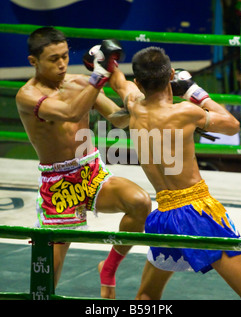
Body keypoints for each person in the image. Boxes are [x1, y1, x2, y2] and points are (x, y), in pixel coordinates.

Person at [107, 46, 241, 300]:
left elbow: (118, 81)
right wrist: (195, 92)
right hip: (197, 214)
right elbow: (232, 125)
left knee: (147, 296)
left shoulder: (133, 105)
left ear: (138, 82)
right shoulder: (185, 112)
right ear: (171, 74)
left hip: (163, 217)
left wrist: (106, 62)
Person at [15, 27, 151, 299]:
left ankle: (108, 269)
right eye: (54, 59)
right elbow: (70, 112)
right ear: (34, 62)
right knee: (47, 275)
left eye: (65, 56)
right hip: (59, 185)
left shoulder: (80, 84)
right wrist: (99, 75)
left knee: (141, 203)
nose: (62, 63)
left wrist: (129, 91)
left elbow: (118, 118)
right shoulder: (26, 96)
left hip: (91, 171)